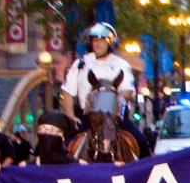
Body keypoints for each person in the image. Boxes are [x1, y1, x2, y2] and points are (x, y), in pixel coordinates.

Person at [61, 22, 146, 150]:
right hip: (88, 117)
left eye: (102, 40)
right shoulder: (80, 64)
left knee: (141, 143)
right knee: (66, 147)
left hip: (115, 116)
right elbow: (67, 93)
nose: (97, 43)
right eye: (95, 40)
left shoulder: (121, 64)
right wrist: (71, 116)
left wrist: (107, 95)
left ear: (110, 42)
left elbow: (128, 92)